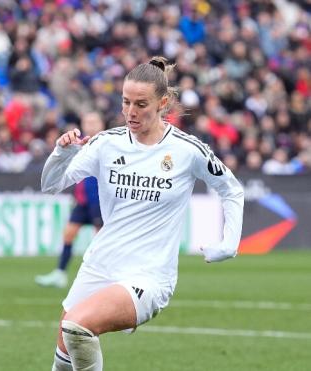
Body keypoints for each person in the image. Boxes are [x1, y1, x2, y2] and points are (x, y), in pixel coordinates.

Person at [41, 56, 244, 371]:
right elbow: (51, 184)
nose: (130, 112)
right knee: (65, 348)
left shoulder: (187, 150)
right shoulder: (105, 144)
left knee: (77, 329)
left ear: (162, 103)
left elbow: (232, 189)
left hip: (149, 276)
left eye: (140, 104)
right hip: (100, 264)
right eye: (125, 102)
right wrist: (61, 152)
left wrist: (229, 243)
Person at [35, 112, 105, 289]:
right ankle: (60, 273)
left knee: (100, 241)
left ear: (101, 124)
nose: (90, 125)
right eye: (87, 122)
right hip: (82, 199)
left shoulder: (106, 144)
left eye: (94, 121)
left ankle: (101, 277)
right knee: (68, 234)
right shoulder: (77, 144)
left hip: (100, 200)